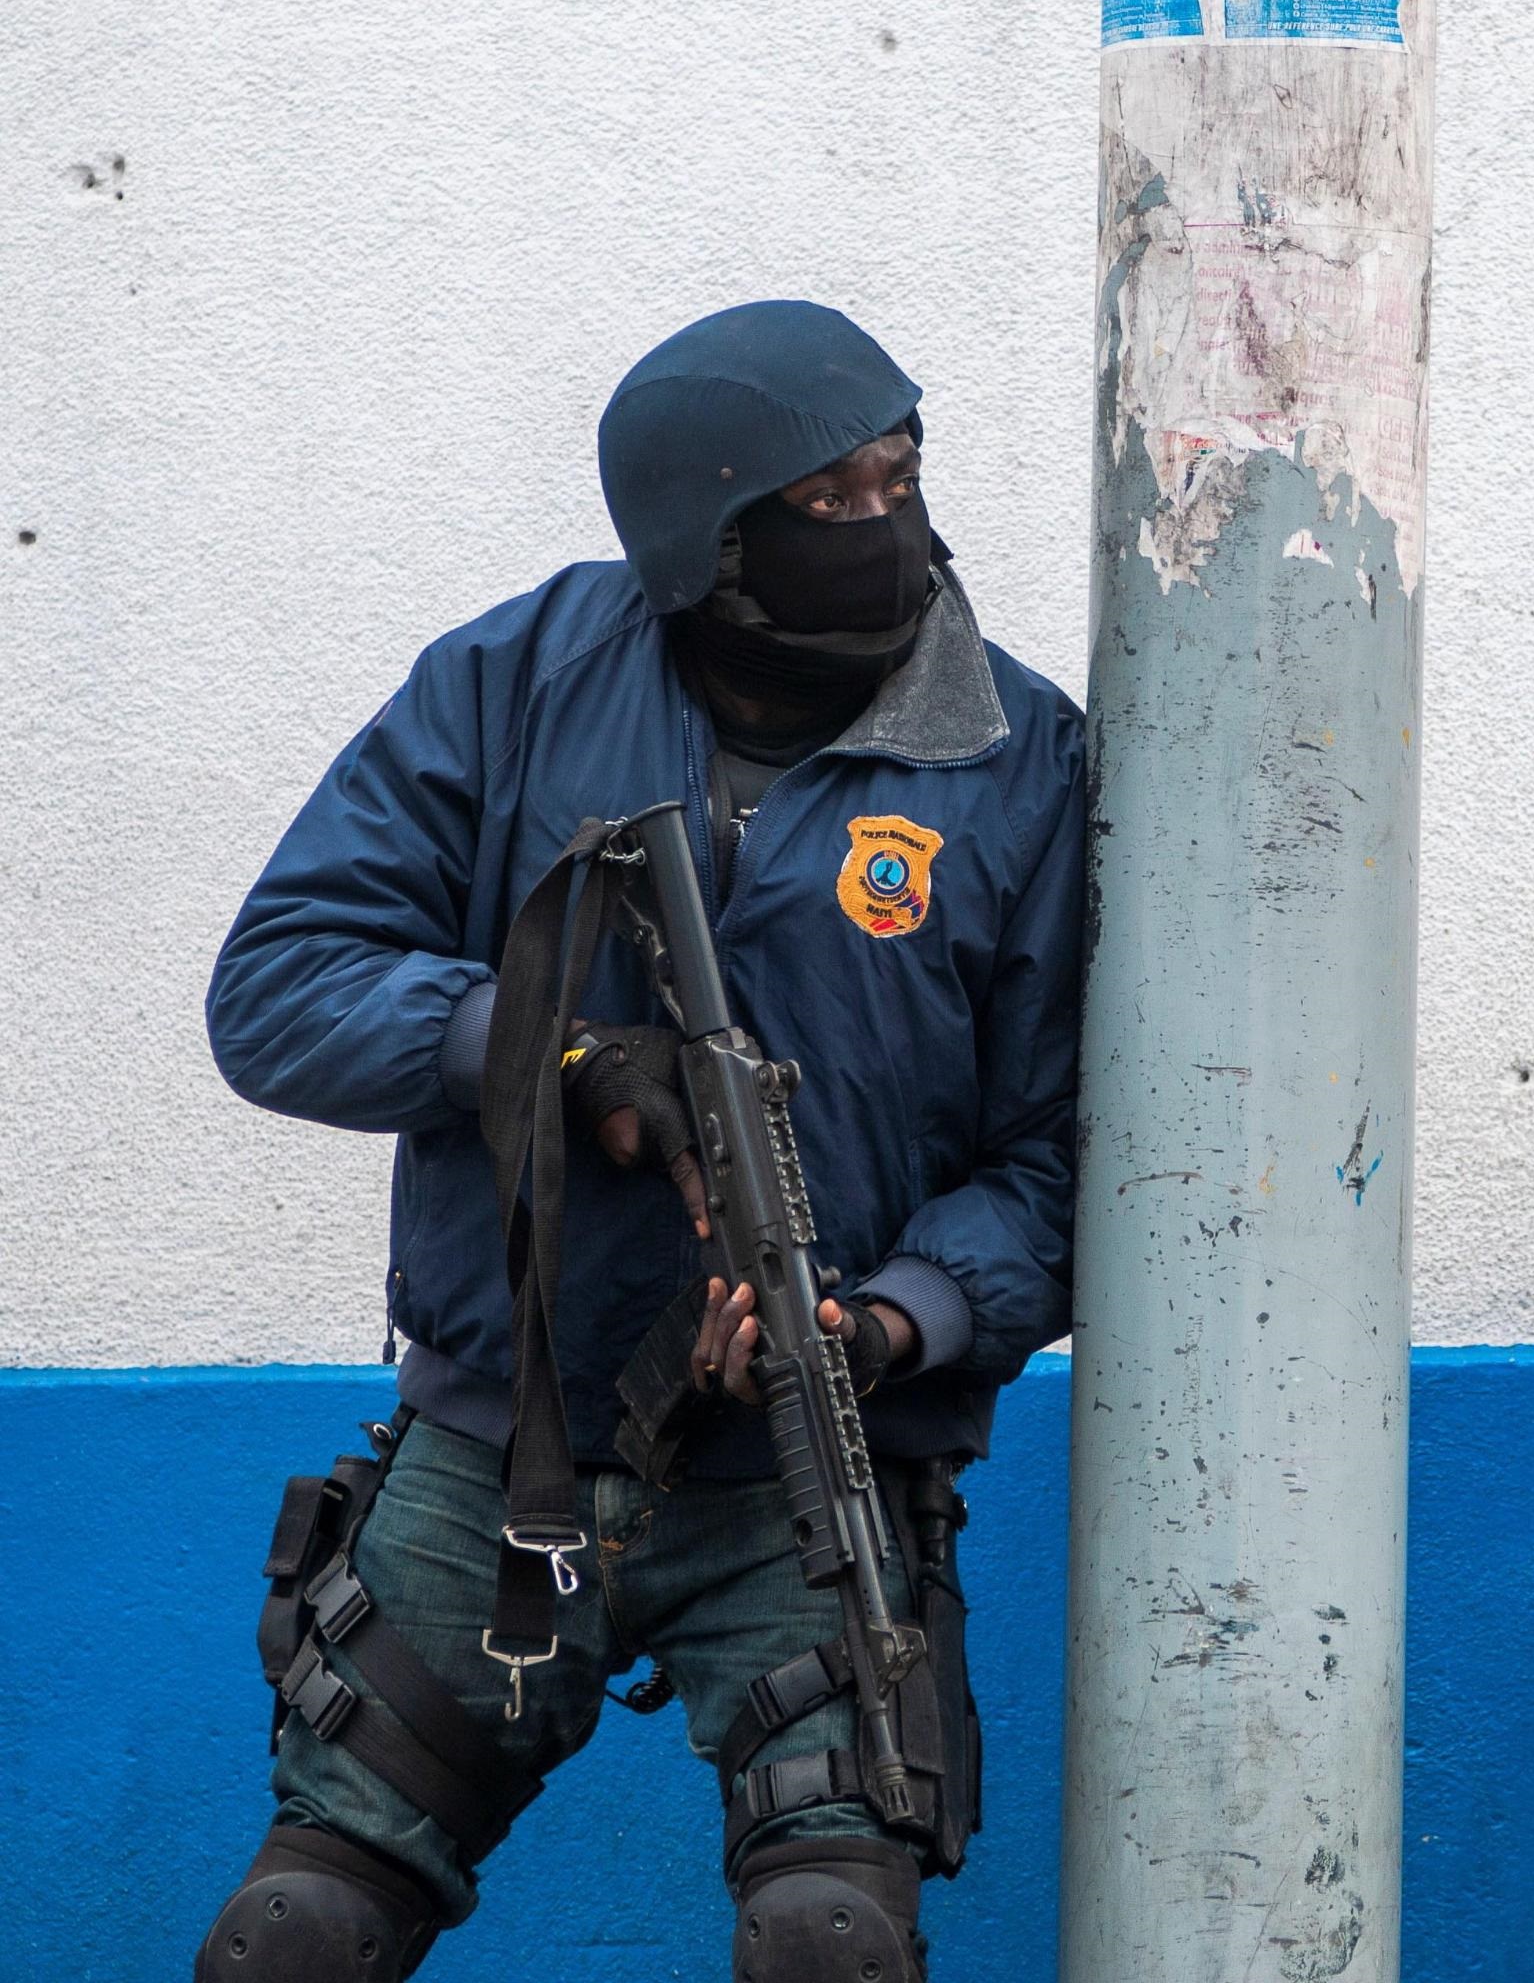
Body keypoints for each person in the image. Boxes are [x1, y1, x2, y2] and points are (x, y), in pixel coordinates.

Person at [195, 301, 1084, 1982]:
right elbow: (279, 988)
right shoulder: (513, 681)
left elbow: (1063, 1162)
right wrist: (555, 1055)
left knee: (831, 1941)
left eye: (904, 474)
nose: (886, 524)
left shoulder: (1018, 761)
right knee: (295, 1934)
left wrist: (893, 1317)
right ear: (706, 541)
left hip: (811, 1476)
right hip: (501, 1453)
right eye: (831, 501)